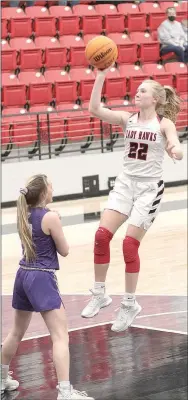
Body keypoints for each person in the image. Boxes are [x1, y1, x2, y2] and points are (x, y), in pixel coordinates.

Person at [81, 67, 183, 333]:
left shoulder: (163, 123)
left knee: (129, 245)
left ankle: (129, 304)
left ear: (156, 99)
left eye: (143, 91)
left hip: (149, 189)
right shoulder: (127, 119)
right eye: (137, 90)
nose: (137, 93)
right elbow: (94, 109)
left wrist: (175, 148)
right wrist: (101, 76)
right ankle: (100, 294)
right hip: (125, 183)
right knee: (101, 236)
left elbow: (174, 141)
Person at [1, 174, 94, 400]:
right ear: (44, 192)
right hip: (42, 278)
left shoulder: (24, 213)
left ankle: (1, 378)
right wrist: (57, 224)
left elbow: (40, 225)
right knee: (60, 336)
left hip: (23, 275)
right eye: (51, 186)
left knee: (16, 332)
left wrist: (54, 220)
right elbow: (65, 250)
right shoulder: (51, 217)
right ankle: (65, 392)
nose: (53, 189)